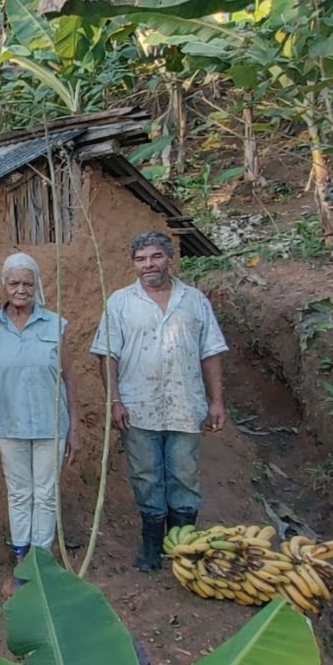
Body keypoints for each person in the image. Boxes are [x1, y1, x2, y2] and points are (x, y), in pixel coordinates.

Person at [90, 231, 228, 572]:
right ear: (133, 264)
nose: (148, 265)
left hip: (185, 405)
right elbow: (107, 355)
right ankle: (152, 545)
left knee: (184, 475)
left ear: (169, 258)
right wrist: (115, 402)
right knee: (146, 476)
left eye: (155, 257)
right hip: (138, 407)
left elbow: (210, 352)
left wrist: (217, 401)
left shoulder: (195, 301)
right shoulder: (119, 303)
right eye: (140, 259)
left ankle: (183, 548)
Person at [0, 252, 80, 594]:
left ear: (37, 286)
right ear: (3, 285)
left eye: (27, 283)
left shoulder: (55, 324)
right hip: (9, 424)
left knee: (46, 493)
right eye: (14, 283)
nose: (21, 289)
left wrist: (75, 426)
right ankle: (23, 560)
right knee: (20, 493)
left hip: (52, 425)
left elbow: (68, 378)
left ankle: (42, 559)